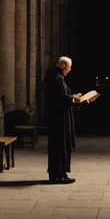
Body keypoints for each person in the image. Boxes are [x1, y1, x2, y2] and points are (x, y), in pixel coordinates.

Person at [42, 55, 91, 184]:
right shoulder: (54, 77)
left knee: (63, 145)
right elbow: (57, 98)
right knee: (59, 146)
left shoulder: (59, 77)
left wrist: (75, 97)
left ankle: (61, 173)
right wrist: (71, 98)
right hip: (58, 118)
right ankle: (57, 175)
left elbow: (64, 94)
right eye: (69, 67)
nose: (69, 70)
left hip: (62, 117)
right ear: (63, 66)